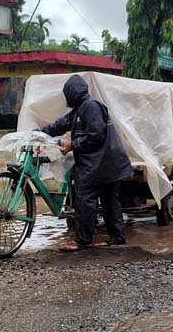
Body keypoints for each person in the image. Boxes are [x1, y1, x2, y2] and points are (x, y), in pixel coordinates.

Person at [40, 75, 133, 252]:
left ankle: (83, 241)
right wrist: (38, 134)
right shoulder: (81, 109)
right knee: (110, 203)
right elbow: (60, 125)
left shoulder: (90, 106)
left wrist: (72, 145)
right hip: (109, 163)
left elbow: (96, 136)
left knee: (85, 200)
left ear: (71, 93)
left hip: (101, 163)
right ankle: (117, 238)